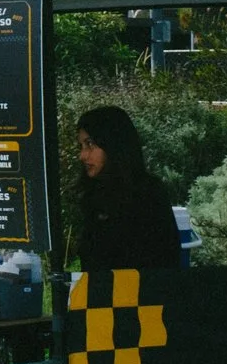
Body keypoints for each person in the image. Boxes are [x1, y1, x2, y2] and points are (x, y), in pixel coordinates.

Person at [71, 105, 181, 272]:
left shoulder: (149, 194)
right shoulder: (91, 196)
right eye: (81, 146)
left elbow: (165, 263)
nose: (83, 155)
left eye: (90, 144)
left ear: (113, 144)